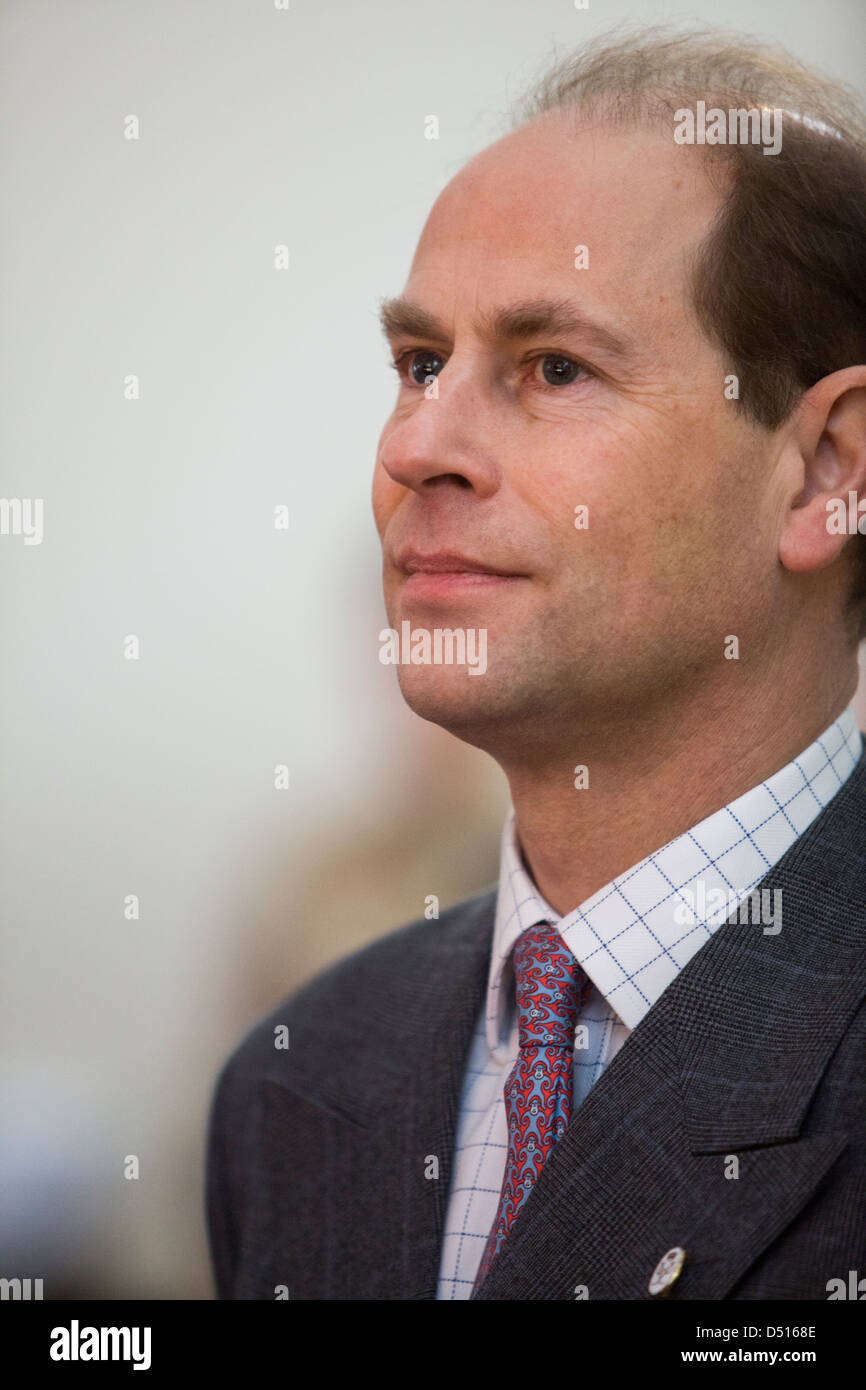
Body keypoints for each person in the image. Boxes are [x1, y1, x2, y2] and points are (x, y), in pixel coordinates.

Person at [205, 27, 866, 1300]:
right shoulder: (295, 1079)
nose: (413, 448)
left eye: (552, 367)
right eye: (417, 365)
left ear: (828, 470)